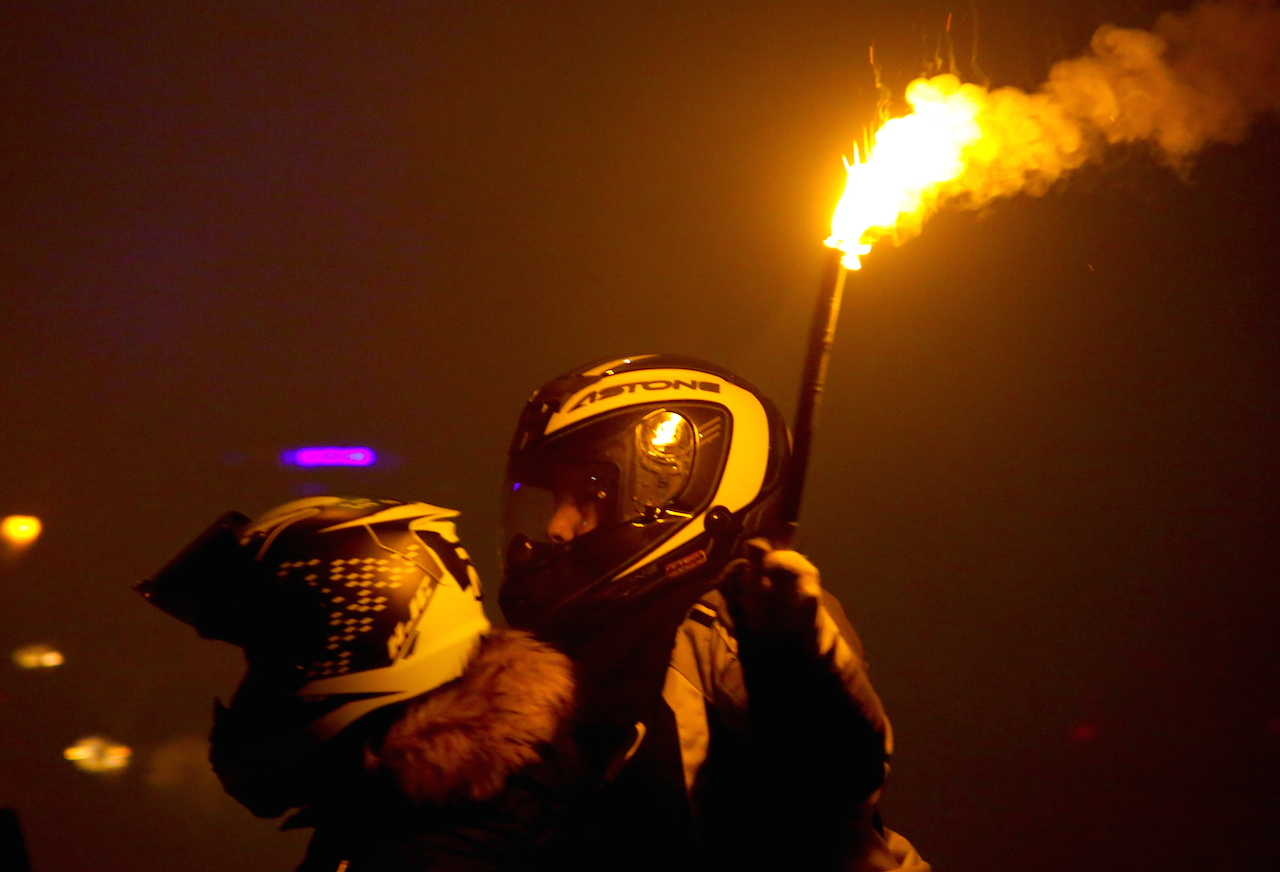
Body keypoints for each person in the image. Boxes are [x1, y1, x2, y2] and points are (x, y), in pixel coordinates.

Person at [499, 354, 929, 870]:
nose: (556, 526)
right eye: (556, 499)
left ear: (683, 489)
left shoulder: (727, 624)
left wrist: (792, 652)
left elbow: (833, 775)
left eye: (590, 493)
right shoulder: (564, 658)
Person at [137, 496, 579, 871]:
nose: (254, 694)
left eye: (271, 658)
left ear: (364, 641)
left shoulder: (429, 853)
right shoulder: (404, 813)